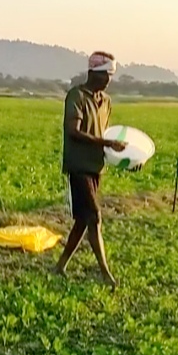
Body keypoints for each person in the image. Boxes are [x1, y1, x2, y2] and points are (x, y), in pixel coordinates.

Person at [53, 51, 126, 289]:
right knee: (95, 217)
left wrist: (125, 157)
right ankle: (105, 273)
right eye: (106, 74)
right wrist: (105, 144)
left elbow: (105, 135)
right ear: (93, 73)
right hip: (79, 166)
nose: (109, 80)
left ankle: (60, 265)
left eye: (111, 75)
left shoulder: (106, 102)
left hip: (96, 167)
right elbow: (73, 131)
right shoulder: (76, 96)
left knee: (83, 221)